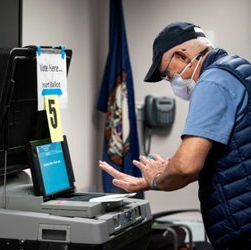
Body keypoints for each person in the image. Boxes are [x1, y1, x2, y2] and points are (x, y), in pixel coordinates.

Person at [99, 22, 251, 250]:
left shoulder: (212, 82)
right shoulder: (238, 69)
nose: (171, 81)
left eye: (167, 74)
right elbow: (232, 157)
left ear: (181, 56)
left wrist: (158, 179)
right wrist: (151, 180)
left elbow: (186, 166)